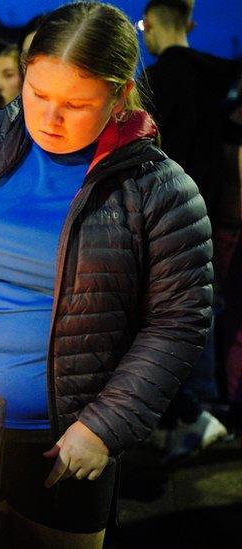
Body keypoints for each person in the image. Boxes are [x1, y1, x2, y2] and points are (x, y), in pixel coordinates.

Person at [0, 2, 212, 547]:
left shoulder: (161, 191)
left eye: (76, 104)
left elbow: (177, 321)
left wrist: (105, 426)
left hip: (63, 443)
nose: (50, 119)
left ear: (120, 96)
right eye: (37, 94)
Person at [141, 0, 237, 458]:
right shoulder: (218, 83)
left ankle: (190, 415)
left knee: (156, 319)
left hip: (160, 215)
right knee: (191, 317)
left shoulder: (156, 84)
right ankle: (186, 416)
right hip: (208, 217)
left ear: (156, 24)